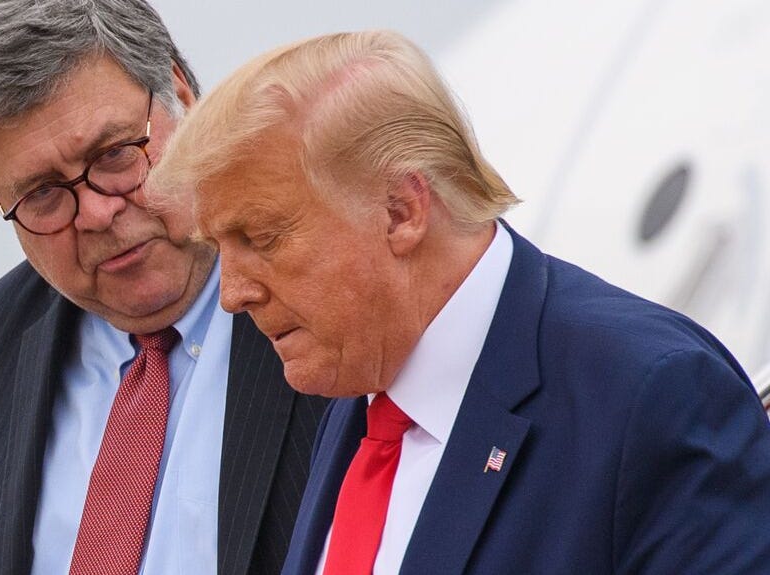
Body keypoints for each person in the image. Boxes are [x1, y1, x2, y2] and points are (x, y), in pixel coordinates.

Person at [147, 30, 770, 574]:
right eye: (220, 247)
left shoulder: (650, 394)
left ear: (402, 210)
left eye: (262, 238)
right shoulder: (358, 393)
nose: (233, 294)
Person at [0, 1, 327, 574]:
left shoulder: (327, 287)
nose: (96, 213)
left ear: (181, 95)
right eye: (42, 193)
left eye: (114, 155)